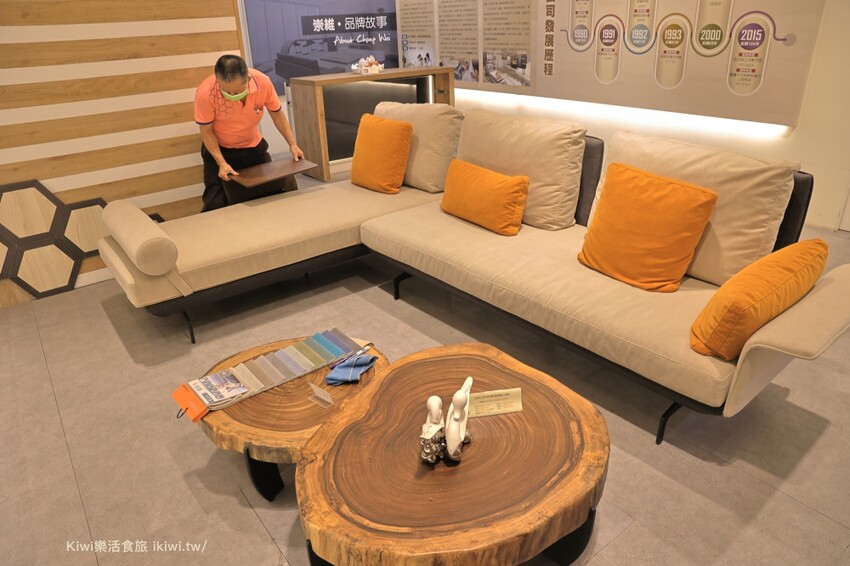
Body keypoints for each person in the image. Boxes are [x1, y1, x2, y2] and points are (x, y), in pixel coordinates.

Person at [194, 54, 305, 212]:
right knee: (215, 203)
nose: (232, 96)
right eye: (227, 92)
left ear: (248, 78)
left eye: (238, 91)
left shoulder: (262, 82)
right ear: (218, 81)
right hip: (220, 150)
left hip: (253, 148)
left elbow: (277, 115)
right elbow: (206, 130)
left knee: (276, 192)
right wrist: (221, 163)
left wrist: (292, 144)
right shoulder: (206, 92)